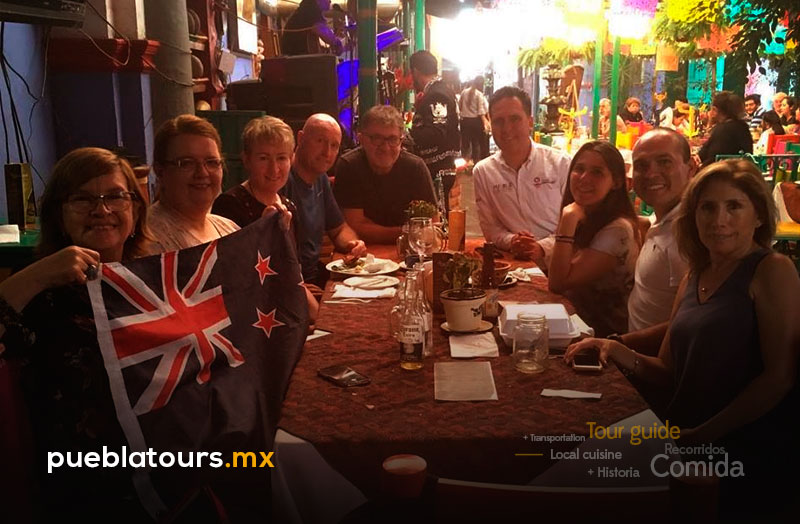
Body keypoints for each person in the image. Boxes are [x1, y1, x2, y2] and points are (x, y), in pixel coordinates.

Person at [566, 159, 800, 519]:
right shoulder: (696, 273)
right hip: (684, 436)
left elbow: (779, 378)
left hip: (744, 449)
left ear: (757, 216)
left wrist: (704, 433)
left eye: (734, 206)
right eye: (707, 207)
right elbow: (668, 371)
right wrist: (613, 347)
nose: (719, 220)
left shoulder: (772, 269)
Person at [0, 147, 152, 520]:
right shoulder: (40, 296)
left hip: (163, 471)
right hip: (81, 486)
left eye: (115, 196)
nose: (101, 210)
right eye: (82, 199)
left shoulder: (155, 285)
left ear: (135, 211)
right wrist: (38, 275)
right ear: (58, 215)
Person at [210, 115, 320, 321]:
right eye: (263, 158)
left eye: (281, 158)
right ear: (246, 159)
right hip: (251, 317)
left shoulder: (289, 206)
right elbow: (230, 281)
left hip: (286, 303)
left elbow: (292, 272)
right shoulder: (229, 205)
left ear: (292, 159)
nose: (274, 169)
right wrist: (264, 231)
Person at [547, 141, 640, 338]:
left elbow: (557, 283)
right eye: (579, 169)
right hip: (577, 324)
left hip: (603, 338)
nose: (584, 178)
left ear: (616, 182)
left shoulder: (617, 230)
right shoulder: (586, 215)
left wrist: (567, 220)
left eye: (597, 172)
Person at [473, 86, 570, 260]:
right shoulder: (483, 172)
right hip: (515, 264)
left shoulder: (561, 163)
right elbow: (491, 229)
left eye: (515, 119)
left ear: (530, 122)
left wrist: (542, 247)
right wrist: (513, 241)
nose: (506, 129)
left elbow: (576, 225)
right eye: (498, 121)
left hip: (560, 262)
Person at [279, 113, 366, 288]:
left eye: (334, 145)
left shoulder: (321, 178)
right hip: (291, 284)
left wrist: (353, 245)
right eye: (320, 141)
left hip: (314, 276)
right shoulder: (281, 179)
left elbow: (339, 229)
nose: (327, 152)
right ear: (300, 138)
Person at [333, 104, 436, 244]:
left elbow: (432, 224)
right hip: (363, 252)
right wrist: (408, 233)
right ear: (361, 139)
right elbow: (355, 226)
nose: (385, 147)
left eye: (393, 139)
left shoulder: (416, 167)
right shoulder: (349, 166)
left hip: (410, 252)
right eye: (377, 138)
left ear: (401, 141)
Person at [627, 129, 695, 337]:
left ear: (691, 168)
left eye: (664, 162)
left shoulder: (687, 234)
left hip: (646, 354)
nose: (651, 174)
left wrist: (620, 343)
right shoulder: (665, 219)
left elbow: (691, 323)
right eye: (641, 166)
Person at [148, 114, 239, 253]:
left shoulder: (229, 229)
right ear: (160, 171)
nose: (202, 173)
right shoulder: (147, 238)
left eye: (212, 162)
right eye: (186, 163)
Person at [409, 50, 460, 210]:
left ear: (415, 71)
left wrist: (407, 136)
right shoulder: (439, 90)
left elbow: (437, 131)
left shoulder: (437, 94)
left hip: (437, 170)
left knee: (438, 217)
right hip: (441, 169)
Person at [697, 91, 752, 167]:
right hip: (742, 171)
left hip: (723, 172)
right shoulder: (743, 126)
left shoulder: (722, 130)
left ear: (715, 110)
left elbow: (710, 159)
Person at [459, 75, 490, 164]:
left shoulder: (464, 92)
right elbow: (481, 111)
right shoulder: (479, 95)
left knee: (465, 144)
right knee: (475, 143)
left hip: (464, 121)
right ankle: (476, 164)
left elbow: (460, 106)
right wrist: (486, 122)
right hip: (475, 122)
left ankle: (465, 163)